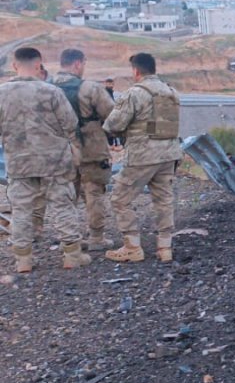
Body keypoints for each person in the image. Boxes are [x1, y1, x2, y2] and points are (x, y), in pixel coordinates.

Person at [0, 47, 88, 272]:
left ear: (14, 66)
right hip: (54, 161)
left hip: (19, 162)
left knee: (21, 210)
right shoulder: (52, 92)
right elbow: (70, 123)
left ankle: (23, 260)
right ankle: (71, 256)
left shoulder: (2, 93)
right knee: (63, 206)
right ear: (39, 66)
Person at [102, 53, 183, 263]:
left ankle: (132, 247)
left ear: (136, 71)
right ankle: (165, 247)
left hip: (142, 156)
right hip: (169, 154)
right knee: (164, 200)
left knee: (120, 199)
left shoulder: (134, 93)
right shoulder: (172, 92)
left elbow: (113, 125)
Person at [45, 49, 116, 251]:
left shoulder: (47, 88)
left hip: (58, 150)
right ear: (77, 64)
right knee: (94, 193)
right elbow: (112, 116)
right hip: (91, 149)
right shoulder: (91, 88)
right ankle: (96, 238)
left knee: (65, 196)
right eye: (83, 64)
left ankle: (69, 239)